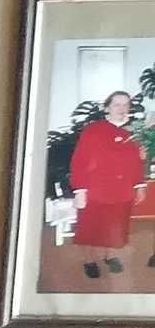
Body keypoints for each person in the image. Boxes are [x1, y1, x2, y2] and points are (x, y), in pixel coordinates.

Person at [67, 89, 146, 279]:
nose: (122, 108)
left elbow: (138, 161)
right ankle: (89, 261)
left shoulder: (135, 132)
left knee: (115, 227)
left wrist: (140, 185)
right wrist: (80, 190)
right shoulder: (93, 130)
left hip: (122, 191)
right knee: (90, 229)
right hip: (95, 190)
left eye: (126, 104)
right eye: (117, 104)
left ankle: (109, 256)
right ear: (107, 108)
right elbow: (80, 160)